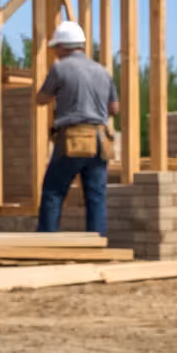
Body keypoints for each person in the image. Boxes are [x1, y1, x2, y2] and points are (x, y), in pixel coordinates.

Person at [35, 21, 118, 235]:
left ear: (63, 46)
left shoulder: (60, 67)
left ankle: (46, 243)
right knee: (96, 196)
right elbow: (114, 108)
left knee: (53, 192)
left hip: (73, 138)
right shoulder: (103, 71)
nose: (55, 53)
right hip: (100, 140)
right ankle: (97, 243)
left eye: (56, 48)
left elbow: (41, 98)